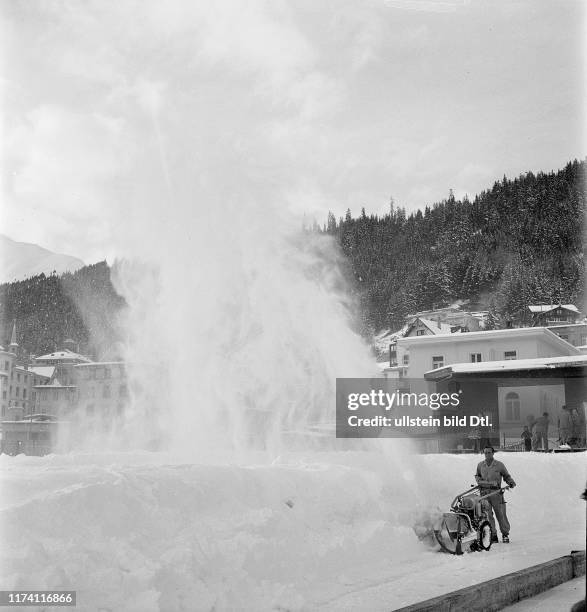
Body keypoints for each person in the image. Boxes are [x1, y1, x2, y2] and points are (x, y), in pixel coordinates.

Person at [475, 445, 516, 543]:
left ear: (493, 453)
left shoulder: (499, 465)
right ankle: (493, 535)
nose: (487, 454)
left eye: (489, 452)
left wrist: (510, 482)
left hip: (496, 493)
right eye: (485, 453)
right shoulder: (480, 465)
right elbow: (477, 475)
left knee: (501, 514)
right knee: (488, 515)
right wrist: (479, 481)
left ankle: (505, 534)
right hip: (484, 493)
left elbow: (506, 476)